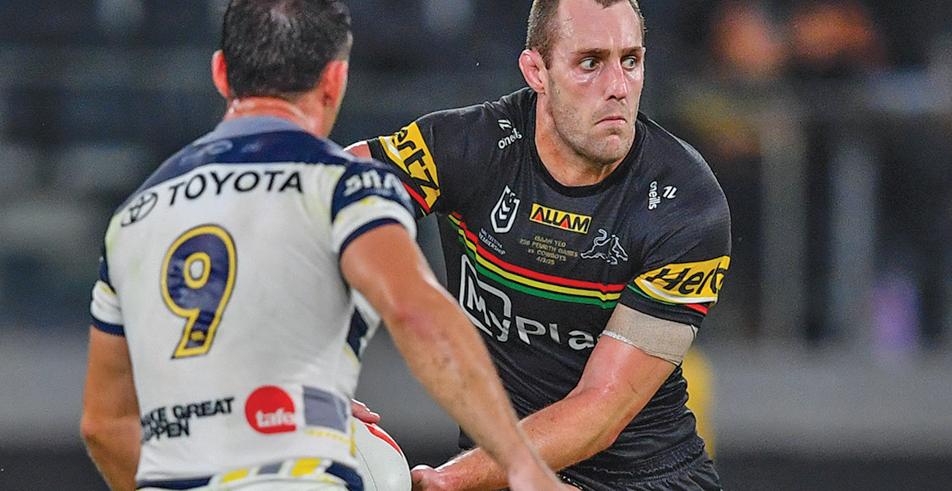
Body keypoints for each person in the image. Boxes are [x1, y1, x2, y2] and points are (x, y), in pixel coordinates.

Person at [79, 1, 566, 490]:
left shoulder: (134, 217)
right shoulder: (345, 186)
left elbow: (104, 426)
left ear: (221, 73)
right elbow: (416, 314)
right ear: (335, 80)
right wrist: (521, 464)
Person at [346, 0, 732, 489]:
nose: (618, 86)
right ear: (536, 72)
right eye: (590, 62)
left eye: (631, 60)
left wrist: (449, 479)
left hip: (644, 478)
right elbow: (311, 202)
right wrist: (307, 377)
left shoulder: (684, 202)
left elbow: (601, 411)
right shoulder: (468, 147)